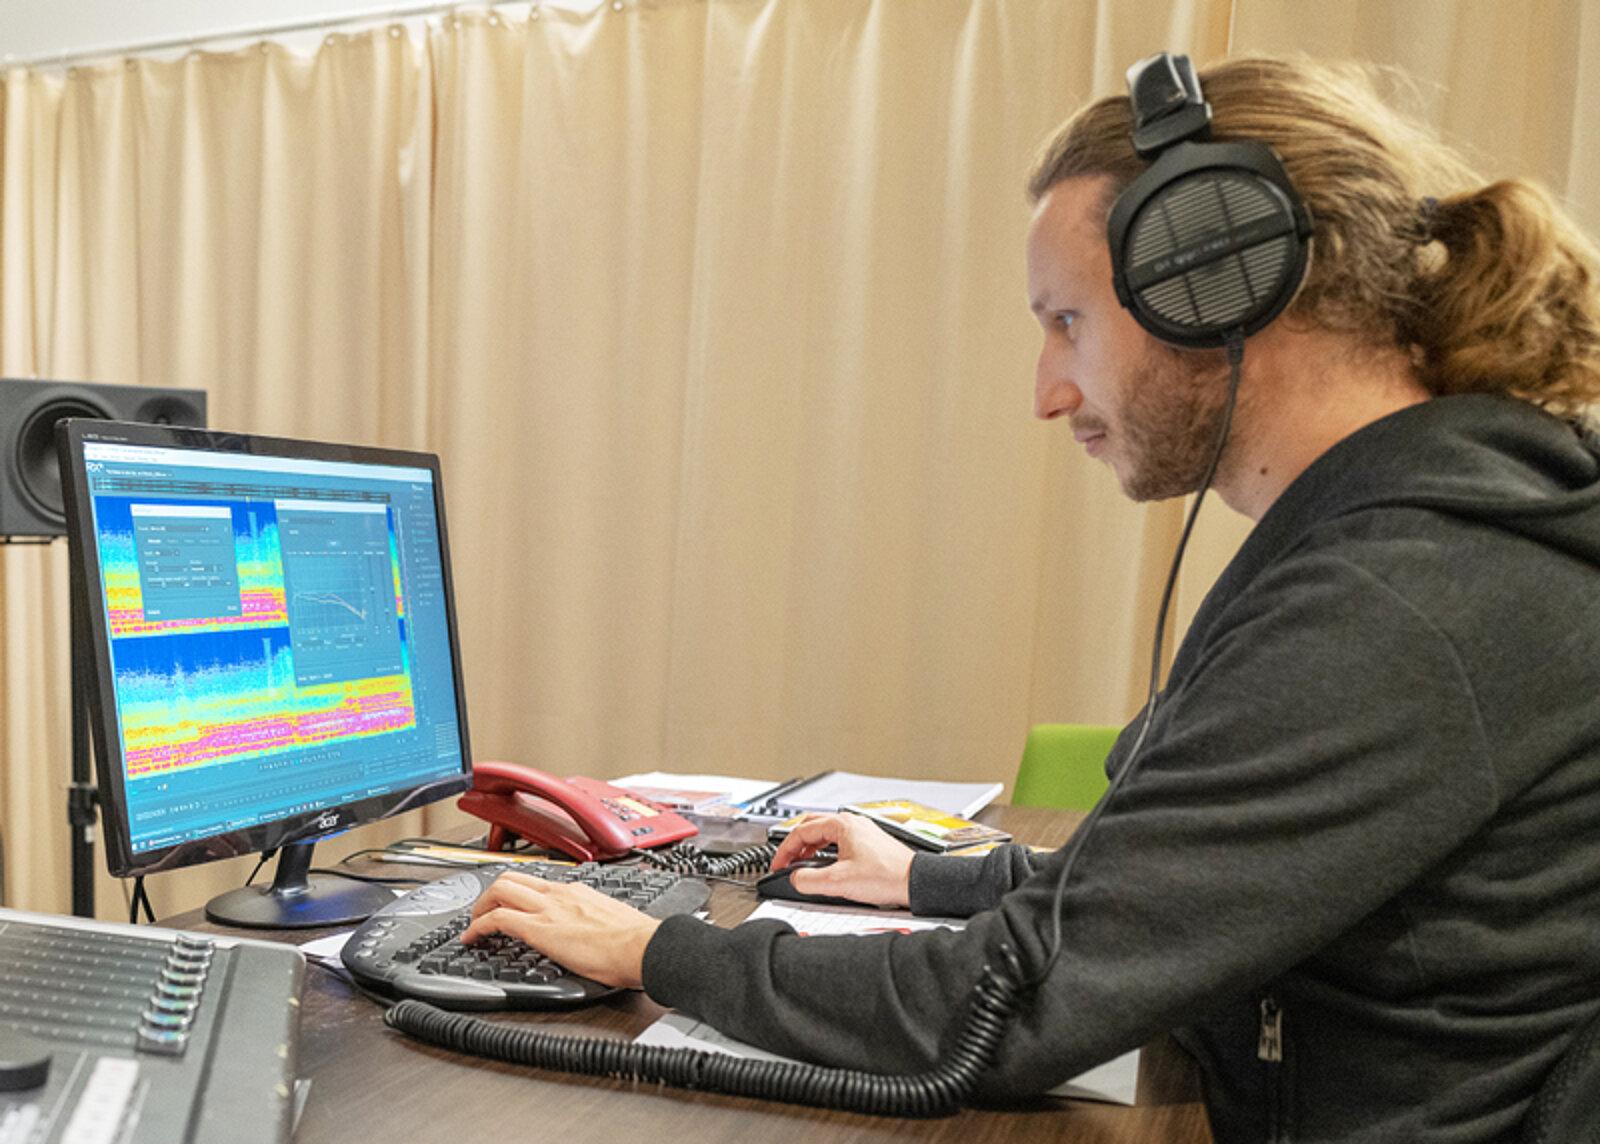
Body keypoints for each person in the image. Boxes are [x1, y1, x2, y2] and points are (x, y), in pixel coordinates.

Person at [461, 52, 1600, 1144]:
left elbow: (1003, 1007)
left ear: (1220, 284)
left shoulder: (1403, 596)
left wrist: (651, 950)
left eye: (1068, 323)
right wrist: (926, 874)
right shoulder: (1432, 535)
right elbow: (1196, 885)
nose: (1049, 392)